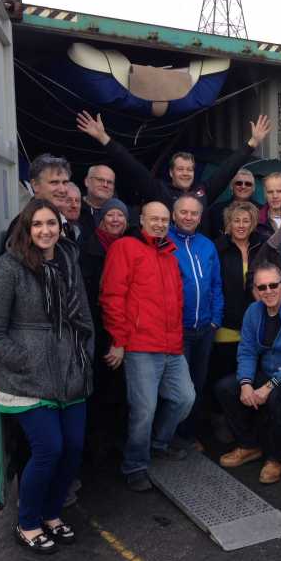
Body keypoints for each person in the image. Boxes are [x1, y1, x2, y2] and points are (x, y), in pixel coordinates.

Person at [0, 199, 94, 554]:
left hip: (70, 372)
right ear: (26, 228)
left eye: (52, 224)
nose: (46, 231)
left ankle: (51, 513)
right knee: (49, 449)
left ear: (61, 228)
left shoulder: (68, 261)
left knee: (73, 449)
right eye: (38, 224)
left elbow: (83, 316)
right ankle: (27, 522)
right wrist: (28, 362)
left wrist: (84, 356)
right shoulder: (8, 268)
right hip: (28, 380)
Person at [99, 201, 196, 492]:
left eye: (164, 220)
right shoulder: (125, 248)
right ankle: (135, 465)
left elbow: (176, 302)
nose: (160, 224)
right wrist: (118, 341)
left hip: (171, 345)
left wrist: (177, 341)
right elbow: (112, 296)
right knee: (144, 409)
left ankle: (159, 443)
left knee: (185, 398)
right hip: (140, 346)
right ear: (141, 219)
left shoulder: (169, 254)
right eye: (154, 218)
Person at [214, 263, 281, 483]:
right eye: (262, 287)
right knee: (225, 388)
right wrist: (245, 383)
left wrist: (269, 386)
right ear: (255, 290)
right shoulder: (254, 311)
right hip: (266, 371)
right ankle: (249, 445)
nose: (268, 291)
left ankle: (276, 458)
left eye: (273, 285)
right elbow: (247, 351)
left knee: (276, 398)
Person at [76, 110, 271, 215]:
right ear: (171, 172)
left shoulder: (203, 192)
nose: (186, 173)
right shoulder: (159, 191)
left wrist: (252, 143)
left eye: (189, 170)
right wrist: (104, 138)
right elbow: (132, 167)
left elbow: (227, 169)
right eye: (180, 169)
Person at [167, 194, 224, 449]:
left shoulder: (207, 245)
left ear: (200, 218)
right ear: (174, 214)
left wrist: (215, 320)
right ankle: (169, 436)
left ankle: (189, 435)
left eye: (194, 213)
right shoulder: (165, 242)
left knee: (198, 384)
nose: (189, 217)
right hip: (178, 330)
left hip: (205, 328)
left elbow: (216, 285)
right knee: (179, 389)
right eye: (184, 212)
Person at [79, 199, 130, 462]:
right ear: (100, 219)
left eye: (120, 215)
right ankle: (95, 447)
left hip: (120, 328)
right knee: (98, 386)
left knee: (117, 388)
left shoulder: (129, 247)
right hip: (96, 328)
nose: (115, 219)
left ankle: (112, 442)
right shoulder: (87, 249)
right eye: (110, 214)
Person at [209, 201, 264, 441]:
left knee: (249, 377)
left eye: (246, 221)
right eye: (236, 220)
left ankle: (248, 427)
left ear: (253, 223)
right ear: (228, 224)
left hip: (255, 324)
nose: (241, 225)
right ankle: (222, 422)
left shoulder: (262, 246)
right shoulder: (217, 248)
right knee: (224, 376)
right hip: (226, 324)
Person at [4, 154, 77, 250]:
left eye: (65, 182)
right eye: (54, 182)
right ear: (35, 185)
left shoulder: (65, 223)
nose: (62, 190)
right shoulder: (21, 225)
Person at [206, 168, 263, 239]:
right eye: (239, 183)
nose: (243, 186)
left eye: (248, 184)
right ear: (231, 186)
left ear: (253, 188)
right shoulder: (216, 210)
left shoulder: (262, 211)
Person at [78, 164, 118, 242]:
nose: (105, 185)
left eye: (110, 182)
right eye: (100, 180)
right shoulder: (73, 208)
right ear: (87, 181)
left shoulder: (122, 215)